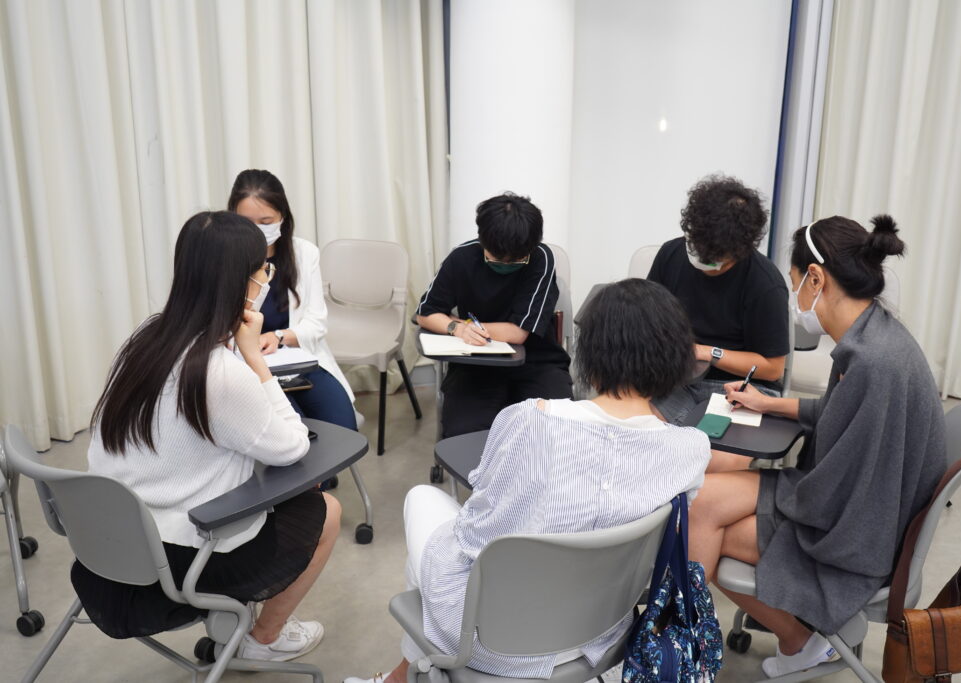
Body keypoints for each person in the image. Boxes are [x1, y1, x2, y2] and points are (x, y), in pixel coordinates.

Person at [346, 279, 711, 683]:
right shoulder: (690, 449)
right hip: (602, 631)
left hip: (495, 641)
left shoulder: (530, 419)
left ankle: (404, 676)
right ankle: (403, 676)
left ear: (591, 353)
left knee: (424, 502)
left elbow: (477, 534)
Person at [688, 215, 946, 678]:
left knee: (706, 523)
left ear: (815, 278)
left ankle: (700, 650)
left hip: (855, 534)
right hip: (861, 507)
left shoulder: (872, 362)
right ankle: (774, 641)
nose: (795, 298)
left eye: (794, 284)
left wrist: (775, 487)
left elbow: (837, 492)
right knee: (702, 500)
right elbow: (844, 414)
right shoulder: (873, 336)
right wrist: (770, 404)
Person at [80, 211, 340, 662]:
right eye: (264, 269)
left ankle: (243, 627)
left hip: (107, 543)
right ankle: (262, 641)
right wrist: (254, 359)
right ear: (244, 282)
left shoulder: (145, 338)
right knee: (326, 509)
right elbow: (292, 446)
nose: (267, 277)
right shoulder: (218, 373)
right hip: (177, 561)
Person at [415, 192, 573, 437]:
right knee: (464, 433)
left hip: (536, 362)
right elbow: (426, 313)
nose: (505, 266)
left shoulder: (540, 258)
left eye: (515, 262)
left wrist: (462, 323)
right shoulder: (462, 257)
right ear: (483, 241)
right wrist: (456, 328)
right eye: (496, 259)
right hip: (475, 363)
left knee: (554, 429)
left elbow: (518, 333)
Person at [647, 174, 790, 425]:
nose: (703, 262)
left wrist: (705, 352)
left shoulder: (765, 284)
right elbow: (646, 321)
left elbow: (773, 367)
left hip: (741, 386)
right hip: (677, 380)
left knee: (712, 444)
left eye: (714, 260)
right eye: (696, 248)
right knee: (643, 430)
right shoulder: (671, 255)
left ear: (740, 251)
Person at [228, 169, 357, 433]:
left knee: (343, 428)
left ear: (282, 217)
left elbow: (316, 323)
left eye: (266, 221)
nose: (257, 230)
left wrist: (277, 337)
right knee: (295, 432)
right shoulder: (223, 258)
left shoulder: (304, 253)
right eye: (247, 223)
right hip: (246, 370)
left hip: (297, 361)